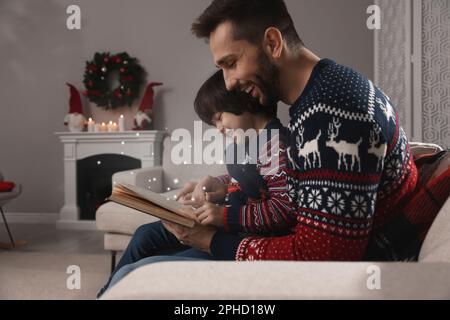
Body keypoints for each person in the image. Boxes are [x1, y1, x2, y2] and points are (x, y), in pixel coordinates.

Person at [163, 0, 438, 262]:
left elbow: (319, 257)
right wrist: (225, 185)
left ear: (272, 43)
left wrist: (212, 242)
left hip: (348, 275)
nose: (229, 83)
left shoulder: (332, 112)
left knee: (144, 270)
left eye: (231, 63)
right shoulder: (323, 92)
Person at [97, 69, 295, 297]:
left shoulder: (274, 145)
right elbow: (249, 180)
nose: (219, 128)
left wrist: (223, 216)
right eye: (214, 123)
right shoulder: (247, 142)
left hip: (243, 236)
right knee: (145, 234)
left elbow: (284, 208)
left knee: (154, 265)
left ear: (245, 101)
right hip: (232, 224)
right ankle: (105, 293)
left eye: (220, 117)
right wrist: (215, 182)